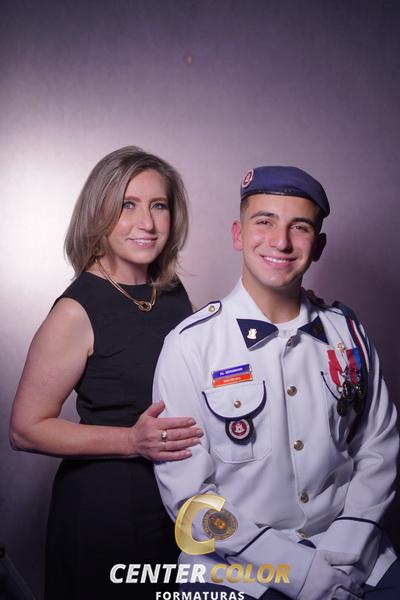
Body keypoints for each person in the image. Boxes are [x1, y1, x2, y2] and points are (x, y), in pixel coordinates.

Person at [153, 166, 400, 600]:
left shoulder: (349, 335)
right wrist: (297, 571)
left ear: (318, 246)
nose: (281, 242)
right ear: (238, 234)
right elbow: (191, 499)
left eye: (299, 227)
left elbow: (379, 450)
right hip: (234, 569)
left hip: (354, 555)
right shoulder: (189, 347)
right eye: (264, 221)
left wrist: (342, 556)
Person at [9, 146, 203, 600]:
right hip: (105, 513)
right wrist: (131, 441)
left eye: (158, 205)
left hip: (174, 504)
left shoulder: (172, 293)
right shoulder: (76, 309)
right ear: (98, 213)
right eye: (127, 205)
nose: (147, 223)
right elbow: (24, 429)